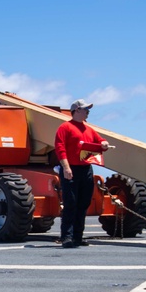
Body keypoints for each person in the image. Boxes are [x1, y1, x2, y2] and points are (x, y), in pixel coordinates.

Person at [54, 99, 111, 248]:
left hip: (85, 169)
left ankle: (77, 236)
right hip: (71, 168)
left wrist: (104, 143)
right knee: (70, 203)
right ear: (77, 110)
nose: (88, 112)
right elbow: (60, 148)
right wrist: (66, 168)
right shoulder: (65, 127)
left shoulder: (88, 129)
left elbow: (100, 142)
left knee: (83, 203)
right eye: (85, 109)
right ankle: (67, 236)